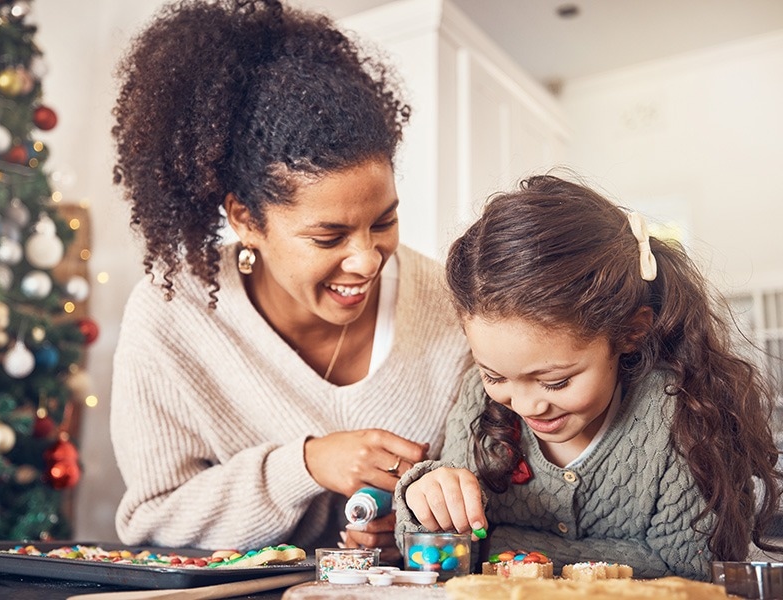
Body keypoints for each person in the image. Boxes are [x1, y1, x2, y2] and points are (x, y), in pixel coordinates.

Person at [109, 0, 471, 562]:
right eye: (329, 237)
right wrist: (304, 465)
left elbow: (497, 490)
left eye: (385, 222)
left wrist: (414, 524)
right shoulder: (172, 315)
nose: (367, 260)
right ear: (245, 220)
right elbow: (155, 522)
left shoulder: (448, 305)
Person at [394, 174, 783, 580]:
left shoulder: (681, 413)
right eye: (495, 375)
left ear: (630, 331)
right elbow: (443, 559)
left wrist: (501, 545)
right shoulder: (478, 398)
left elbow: (684, 573)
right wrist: (427, 497)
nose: (526, 406)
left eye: (556, 381)